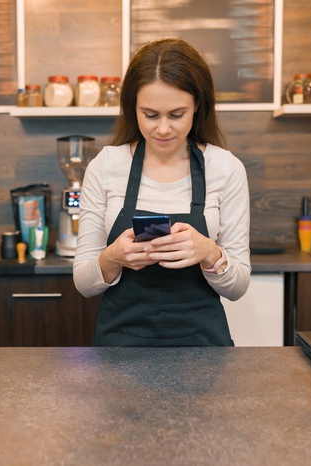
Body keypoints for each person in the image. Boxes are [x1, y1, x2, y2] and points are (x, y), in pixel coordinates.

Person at [73, 38, 251, 347]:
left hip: (203, 349)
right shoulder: (106, 166)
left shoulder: (225, 168)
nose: (163, 129)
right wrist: (113, 257)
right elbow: (84, 283)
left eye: (177, 114)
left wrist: (210, 253)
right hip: (120, 349)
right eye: (151, 115)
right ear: (132, 108)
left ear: (198, 105)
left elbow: (238, 287)